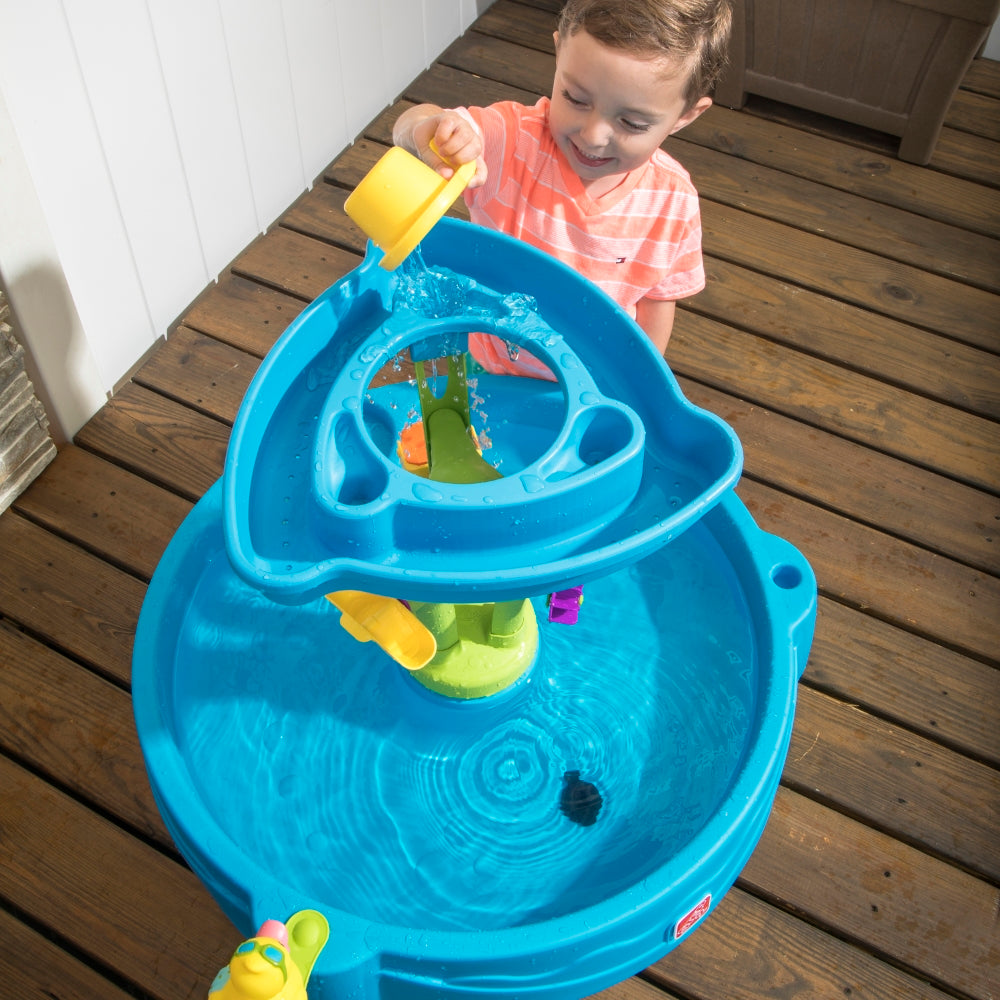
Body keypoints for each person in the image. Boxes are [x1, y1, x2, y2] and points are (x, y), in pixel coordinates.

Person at [392, 0, 732, 377]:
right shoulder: (508, 142)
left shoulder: (673, 203)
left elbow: (656, 304)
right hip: (489, 367)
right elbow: (414, 124)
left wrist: (641, 383)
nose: (593, 136)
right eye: (576, 99)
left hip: (591, 388)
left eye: (632, 123)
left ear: (686, 115)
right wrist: (428, 131)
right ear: (559, 53)